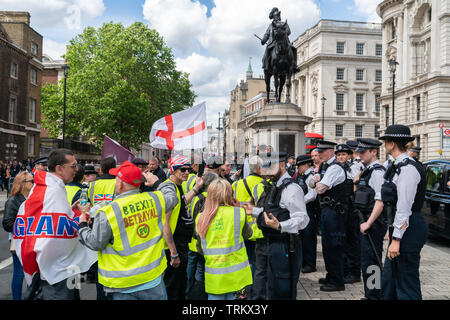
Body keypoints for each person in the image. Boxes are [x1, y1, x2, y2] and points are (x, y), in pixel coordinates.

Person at [78, 161, 179, 300]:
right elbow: (172, 196)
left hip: (123, 284)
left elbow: (95, 243)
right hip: (152, 279)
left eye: (116, 179)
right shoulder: (155, 200)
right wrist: (157, 182)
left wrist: (82, 225)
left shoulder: (108, 212)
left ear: (120, 184)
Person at [12, 149, 97, 300]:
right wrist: (82, 215)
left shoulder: (50, 188)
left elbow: (50, 221)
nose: (77, 169)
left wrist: (72, 211)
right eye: (73, 166)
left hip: (60, 270)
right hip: (56, 274)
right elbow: (58, 232)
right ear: (59, 168)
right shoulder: (51, 191)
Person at [244, 152, 310, 300]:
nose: (266, 172)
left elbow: (302, 219)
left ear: (282, 165)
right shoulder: (275, 185)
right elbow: (273, 212)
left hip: (285, 245)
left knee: (282, 289)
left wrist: (281, 225)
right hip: (270, 242)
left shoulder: (291, 189)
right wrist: (252, 211)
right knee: (271, 287)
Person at [378, 125, 428, 300]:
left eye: (385, 142)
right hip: (401, 227)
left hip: (409, 227)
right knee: (389, 280)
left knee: (406, 281)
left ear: (392, 144)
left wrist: (396, 239)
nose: (384, 146)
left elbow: (404, 208)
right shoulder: (397, 165)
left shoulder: (408, 169)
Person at [195, 178, 253, 300]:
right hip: (238, 278)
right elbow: (248, 234)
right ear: (229, 195)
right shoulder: (238, 213)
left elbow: (200, 249)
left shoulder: (201, 218)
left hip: (215, 279)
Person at [311, 141, 353, 292]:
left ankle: (337, 281)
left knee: (334, 245)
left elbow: (321, 189)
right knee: (328, 245)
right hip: (328, 210)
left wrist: (316, 183)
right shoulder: (326, 166)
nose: (319, 154)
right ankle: (332, 275)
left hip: (335, 212)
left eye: (322, 151)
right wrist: (317, 183)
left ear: (330, 151)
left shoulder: (334, 167)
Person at [160, 155, 204, 300]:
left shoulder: (177, 186)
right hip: (173, 247)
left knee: (179, 284)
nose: (187, 172)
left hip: (181, 244)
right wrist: (173, 253)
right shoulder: (169, 188)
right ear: (173, 170)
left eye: (188, 169)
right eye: (182, 169)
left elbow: (182, 201)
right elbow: (165, 224)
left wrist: (196, 187)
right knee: (173, 287)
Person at [352, 138, 387, 300]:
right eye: (358, 152)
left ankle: (374, 296)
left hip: (373, 223)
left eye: (363, 152)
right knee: (367, 261)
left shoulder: (378, 172)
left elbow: (380, 201)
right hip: (365, 220)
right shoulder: (367, 170)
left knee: (372, 262)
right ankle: (370, 294)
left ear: (374, 152)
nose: (360, 155)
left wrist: (368, 223)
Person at [232, 155, 265, 299]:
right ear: (259, 168)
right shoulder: (265, 184)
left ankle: (241, 293)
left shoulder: (236, 184)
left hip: (242, 229)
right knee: (258, 266)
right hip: (258, 230)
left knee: (242, 263)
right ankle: (256, 293)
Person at [186, 172, 219, 299]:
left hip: (192, 242)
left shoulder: (195, 197)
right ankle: (199, 294)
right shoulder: (209, 200)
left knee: (190, 271)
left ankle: (188, 293)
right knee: (200, 271)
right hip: (202, 244)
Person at [2, 171, 34, 300]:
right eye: (31, 181)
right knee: (19, 273)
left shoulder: (32, 198)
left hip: (32, 240)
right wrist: (25, 226)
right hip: (20, 242)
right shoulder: (13, 201)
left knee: (33, 273)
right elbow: (7, 223)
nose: (34, 183)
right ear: (23, 184)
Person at [335, 144, 361, 285]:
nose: (341, 157)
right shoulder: (337, 168)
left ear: (349, 155)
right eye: (339, 155)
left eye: (344, 155)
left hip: (352, 207)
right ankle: (345, 270)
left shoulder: (354, 167)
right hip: (344, 207)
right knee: (344, 240)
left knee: (352, 242)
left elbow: (356, 186)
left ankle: (354, 272)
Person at [295, 155, 319, 274]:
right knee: (303, 238)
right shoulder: (303, 176)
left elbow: (312, 195)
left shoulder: (311, 177)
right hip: (303, 210)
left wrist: (299, 201)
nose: (298, 169)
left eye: (299, 166)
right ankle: (304, 262)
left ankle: (310, 264)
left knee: (309, 238)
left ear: (305, 165)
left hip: (309, 210)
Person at [261, 7, 300, 73]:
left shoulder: (283, 24)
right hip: (273, 42)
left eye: (279, 15)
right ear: (274, 17)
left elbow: (288, 31)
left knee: (293, 49)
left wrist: (282, 33)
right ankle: (266, 65)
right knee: (267, 50)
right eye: (277, 16)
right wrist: (264, 40)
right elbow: (267, 34)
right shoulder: (271, 26)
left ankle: (294, 64)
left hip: (284, 41)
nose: (278, 17)